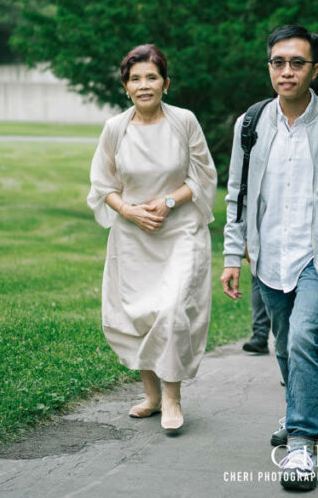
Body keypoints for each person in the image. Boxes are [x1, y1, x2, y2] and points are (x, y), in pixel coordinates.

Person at [220, 24, 318, 492]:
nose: (286, 71)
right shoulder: (250, 123)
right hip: (269, 257)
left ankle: (302, 443)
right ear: (270, 66)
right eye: (278, 62)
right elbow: (237, 196)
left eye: (296, 63)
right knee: (284, 344)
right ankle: (295, 413)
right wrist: (233, 253)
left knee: (305, 337)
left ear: (315, 70)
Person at [87, 44, 218, 431]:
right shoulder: (115, 129)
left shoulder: (184, 122)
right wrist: (128, 210)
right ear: (125, 86)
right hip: (132, 236)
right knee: (140, 313)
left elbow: (203, 176)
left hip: (179, 230)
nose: (144, 85)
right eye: (135, 79)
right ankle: (151, 395)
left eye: (152, 77)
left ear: (166, 83)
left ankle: (173, 399)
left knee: (173, 308)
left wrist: (167, 202)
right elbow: (102, 185)